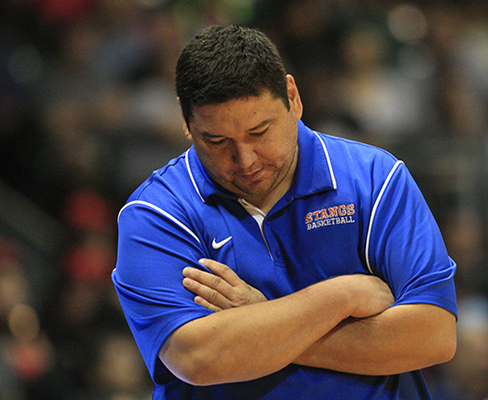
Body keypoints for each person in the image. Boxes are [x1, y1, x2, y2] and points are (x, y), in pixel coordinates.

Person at [112, 24, 458, 400]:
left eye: (259, 132)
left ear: (292, 98)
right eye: (216, 141)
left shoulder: (375, 179)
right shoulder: (156, 214)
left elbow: (433, 336)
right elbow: (197, 358)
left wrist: (260, 318)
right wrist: (342, 297)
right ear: (185, 119)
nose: (244, 160)